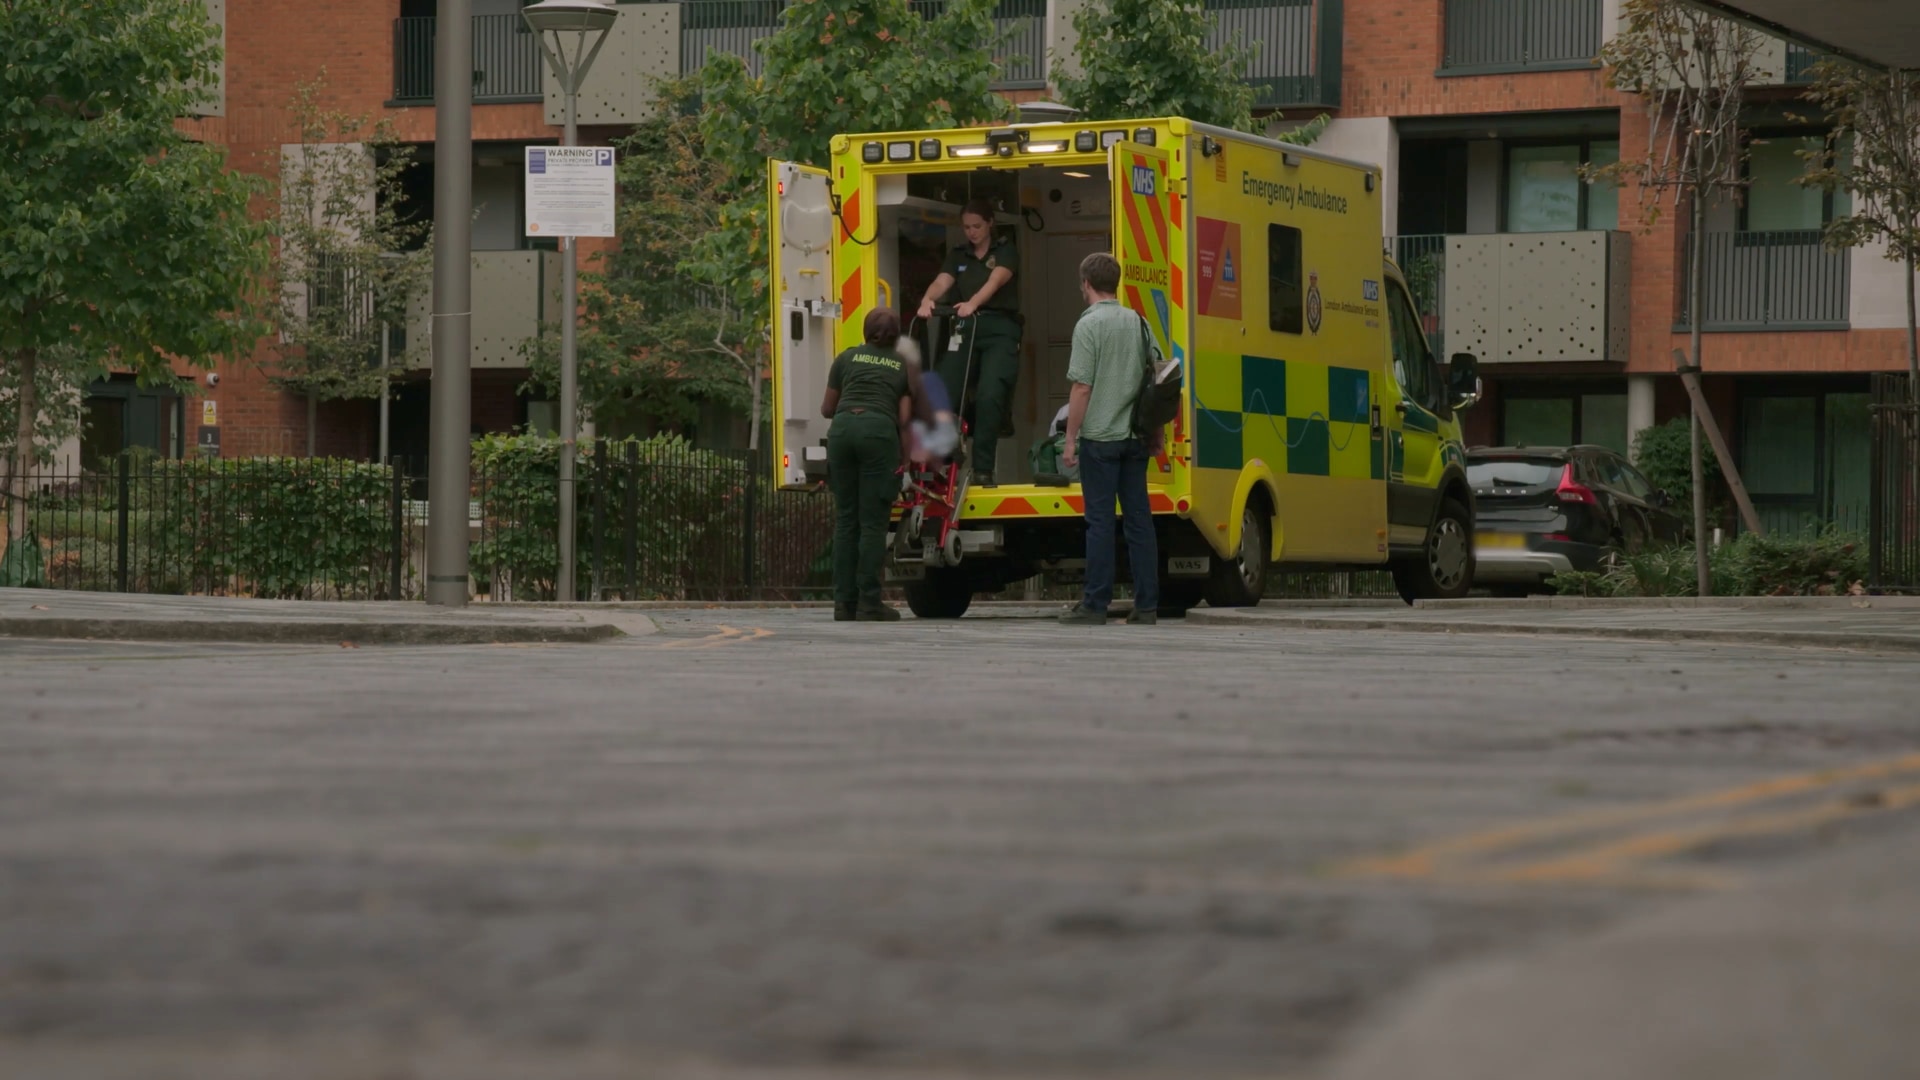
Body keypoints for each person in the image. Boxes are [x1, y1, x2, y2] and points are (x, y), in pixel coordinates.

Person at [1058, 252, 1160, 626]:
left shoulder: (1088, 325)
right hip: (1135, 437)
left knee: (1099, 522)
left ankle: (1095, 604)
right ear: (1116, 283)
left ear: (1086, 283)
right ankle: (1146, 605)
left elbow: (1082, 387)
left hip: (1100, 439)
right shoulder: (1140, 323)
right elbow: (1158, 380)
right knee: (1139, 521)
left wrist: (1071, 438)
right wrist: (1156, 433)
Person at [821, 308, 924, 622]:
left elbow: (827, 408)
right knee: (873, 524)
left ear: (866, 331)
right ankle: (869, 603)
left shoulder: (846, 358)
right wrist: (905, 463)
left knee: (846, 521)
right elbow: (904, 419)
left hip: (841, 433)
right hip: (878, 434)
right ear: (896, 336)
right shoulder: (902, 366)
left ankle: (843, 604)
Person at [917, 198, 1021, 488]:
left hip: (999, 328)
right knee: (944, 390)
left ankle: (983, 468)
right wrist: (928, 299)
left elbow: (995, 281)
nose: (972, 232)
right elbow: (942, 281)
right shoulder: (959, 254)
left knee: (989, 395)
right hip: (964, 326)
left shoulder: (1005, 251)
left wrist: (973, 303)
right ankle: (942, 459)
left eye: (977, 226)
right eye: (967, 227)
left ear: (989, 223)